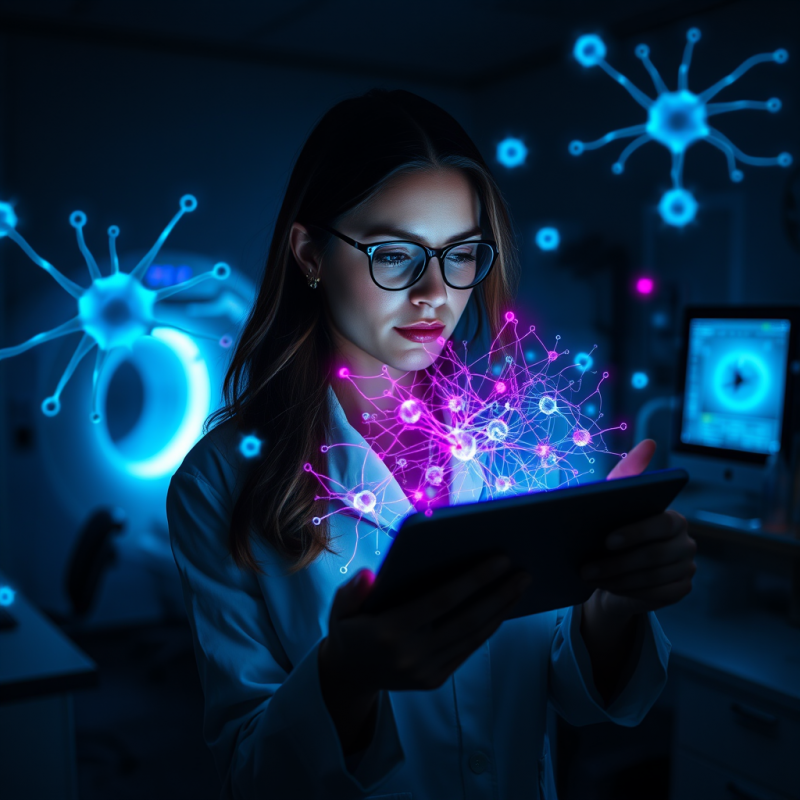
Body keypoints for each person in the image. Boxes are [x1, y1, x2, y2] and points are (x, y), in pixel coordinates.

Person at [166, 88, 697, 800]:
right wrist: (344, 680)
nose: (436, 294)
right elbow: (248, 773)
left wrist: (612, 606)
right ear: (309, 253)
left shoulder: (521, 443)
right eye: (395, 254)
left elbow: (568, 693)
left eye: (461, 255)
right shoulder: (221, 484)